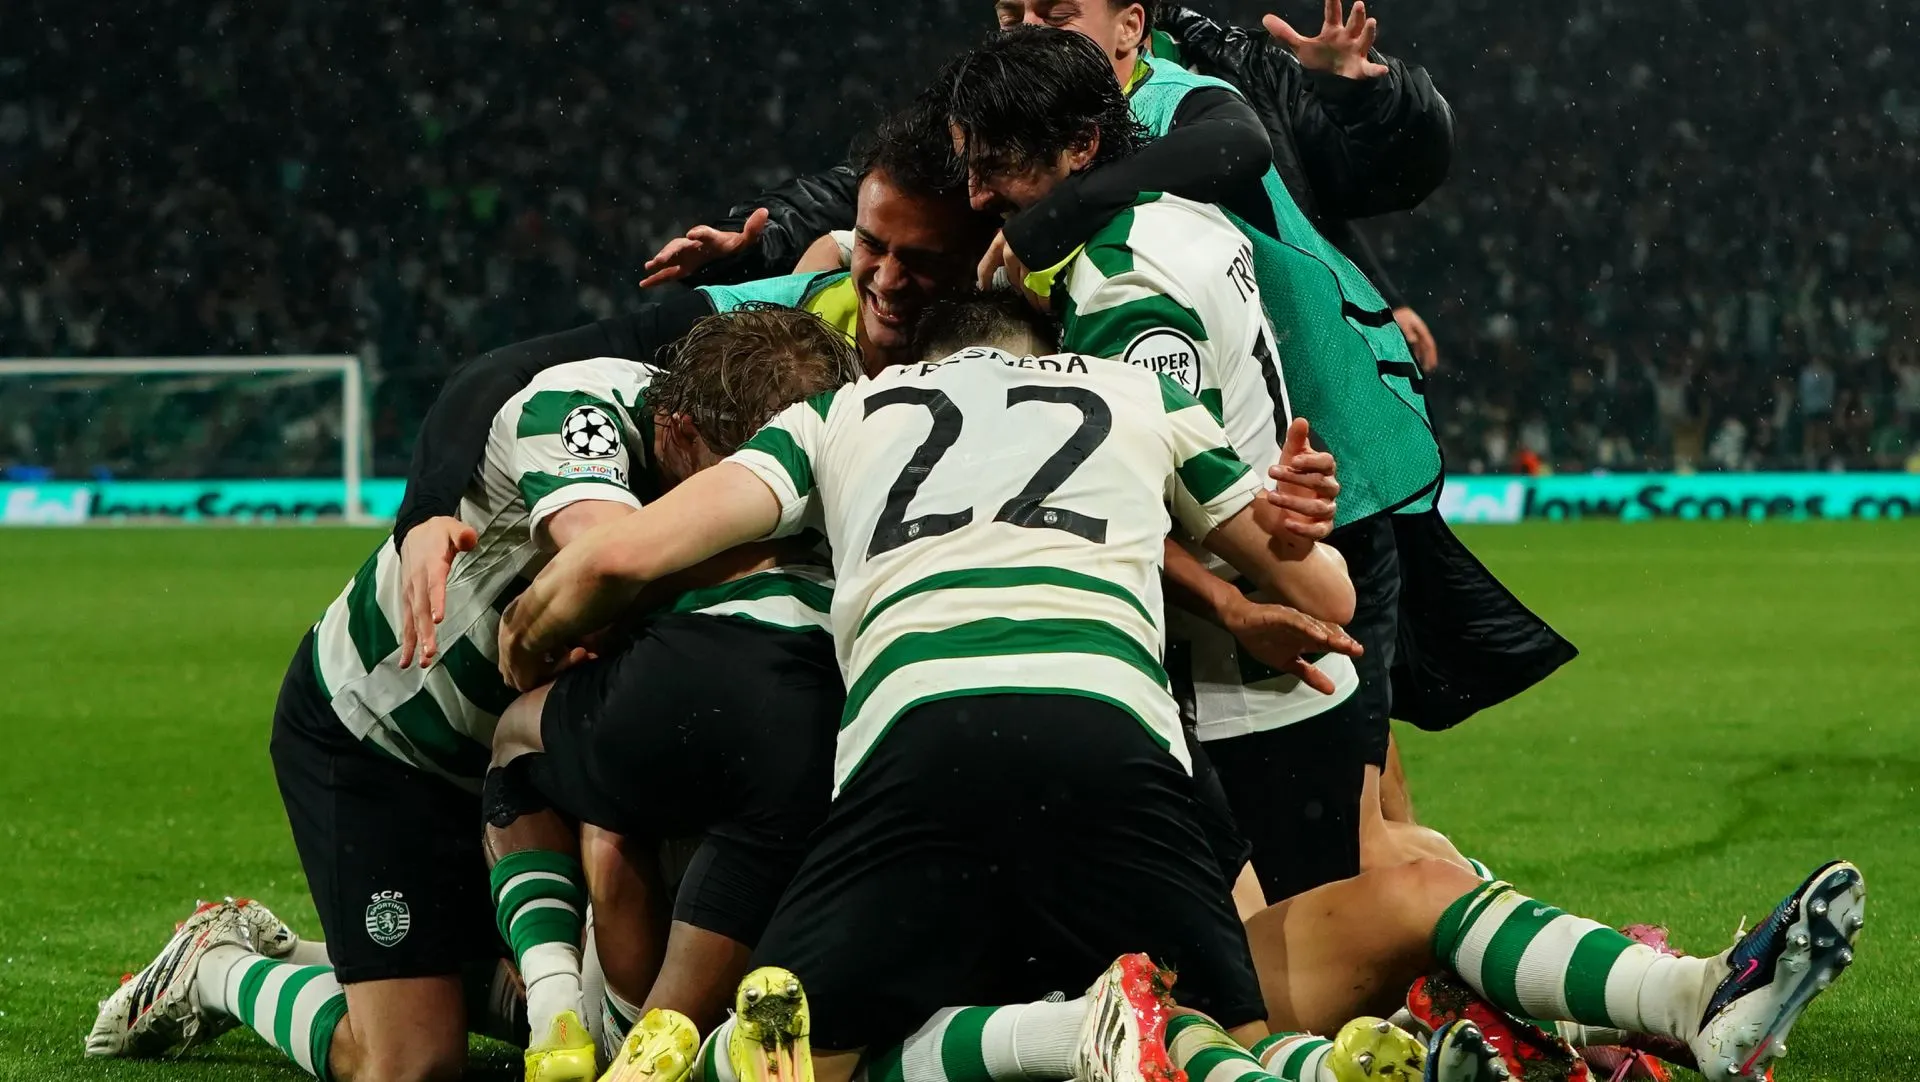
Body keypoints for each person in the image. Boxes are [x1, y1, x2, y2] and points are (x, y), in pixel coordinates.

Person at [493, 291, 1363, 1082]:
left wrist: (528, 636)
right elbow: (1329, 595)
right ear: (1045, 350)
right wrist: (1299, 523)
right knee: (1231, 1037)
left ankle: (1053, 1039)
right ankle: (1303, 1068)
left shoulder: (843, 411)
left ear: (921, 363)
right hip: (1111, 729)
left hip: (918, 744)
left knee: (782, 1053)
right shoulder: (1139, 392)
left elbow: (616, 554)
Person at [84, 306, 863, 1082]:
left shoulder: (768, 458)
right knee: (411, 1064)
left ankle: (380, 963)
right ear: (678, 428)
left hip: (539, 757)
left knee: (603, 1004)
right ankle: (217, 964)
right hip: (388, 744)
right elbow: (601, 560)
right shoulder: (576, 412)